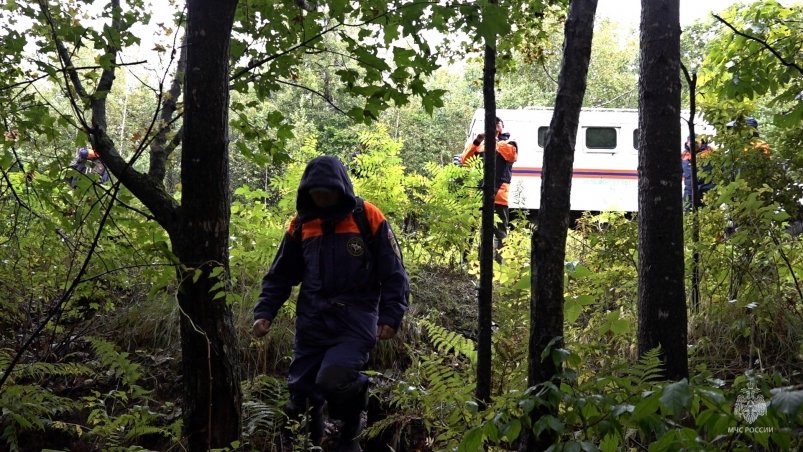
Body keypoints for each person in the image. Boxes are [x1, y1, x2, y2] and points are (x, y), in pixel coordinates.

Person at [253, 155, 409, 451]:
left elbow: (394, 272)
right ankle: (309, 442)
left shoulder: (368, 217)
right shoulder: (300, 225)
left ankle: (349, 431)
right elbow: (280, 274)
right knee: (300, 392)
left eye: (328, 191)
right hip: (312, 320)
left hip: (356, 319)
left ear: (341, 188)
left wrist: (391, 316)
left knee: (334, 378)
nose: (322, 198)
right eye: (316, 192)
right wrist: (265, 311)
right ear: (307, 192)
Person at [459, 116, 518, 261]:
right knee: (471, 230)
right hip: (478, 194)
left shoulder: (509, 143)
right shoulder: (480, 145)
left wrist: (496, 141)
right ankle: (466, 263)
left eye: (497, 124)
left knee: (500, 233)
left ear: (501, 127)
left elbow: (511, 156)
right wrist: (478, 140)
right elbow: (464, 161)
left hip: (499, 195)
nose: (494, 126)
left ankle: (499, 265)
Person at [681, 136, 714, 210]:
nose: (694, 144)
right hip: (689, 191)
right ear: (687, 143)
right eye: (692, 142)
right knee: (688, 211)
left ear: (700, 142)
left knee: (708, 213)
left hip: (707, 190)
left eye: (696, 142)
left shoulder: (709, 151)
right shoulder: (683, 155)